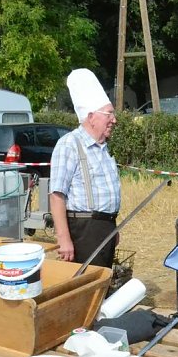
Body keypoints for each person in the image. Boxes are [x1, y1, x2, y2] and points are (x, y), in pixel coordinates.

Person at [50, 69, 121, 268]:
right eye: (109, 114)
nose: (114, 119)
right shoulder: (69, 144)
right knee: (89, 286)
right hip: (84, 229)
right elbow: (56, 195)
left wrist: (112, 228)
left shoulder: (103, 148)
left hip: (105, 226)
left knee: (103, 284)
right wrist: (64, 240)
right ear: (91, 117)